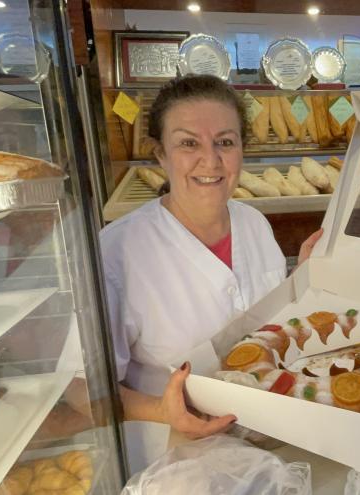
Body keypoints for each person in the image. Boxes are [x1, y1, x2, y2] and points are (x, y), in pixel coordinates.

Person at [100, 75, 323, 438]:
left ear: (241, 150)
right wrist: (161, 411)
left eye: (225, 142)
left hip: (271, 434)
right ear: (160, 154)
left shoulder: (254, 223)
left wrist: (304, 280)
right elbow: (80, 388)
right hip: (174, 454)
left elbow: (269, 328)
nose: (210, 160)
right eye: (188, 143)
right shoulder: (117, 251)